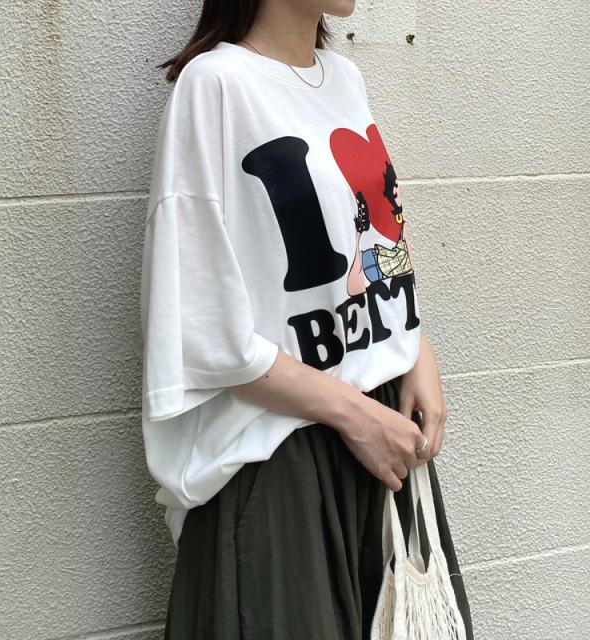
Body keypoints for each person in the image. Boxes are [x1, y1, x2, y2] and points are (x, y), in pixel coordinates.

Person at [139, 1, 475, 638]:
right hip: (281, 457)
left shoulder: (343, 78)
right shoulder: (214, 86)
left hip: (380, 437)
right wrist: (353, 415)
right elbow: (198, 329)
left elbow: (370, 244)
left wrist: (416, 348)